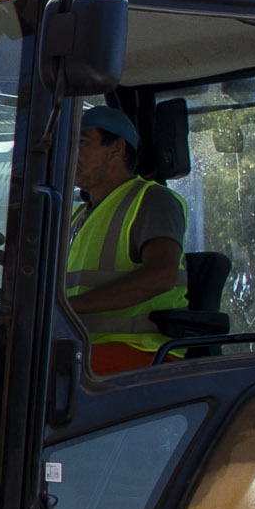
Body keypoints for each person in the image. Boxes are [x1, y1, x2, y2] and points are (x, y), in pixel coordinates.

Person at [61, 106, 186, 376]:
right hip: (83, 346)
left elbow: (161, 276)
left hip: (142, 351)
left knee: (24, 381)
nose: (70, 153)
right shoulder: (77, 217)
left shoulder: (152, 199)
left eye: (82, 143)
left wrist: (68, 307)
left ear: (116, 148)